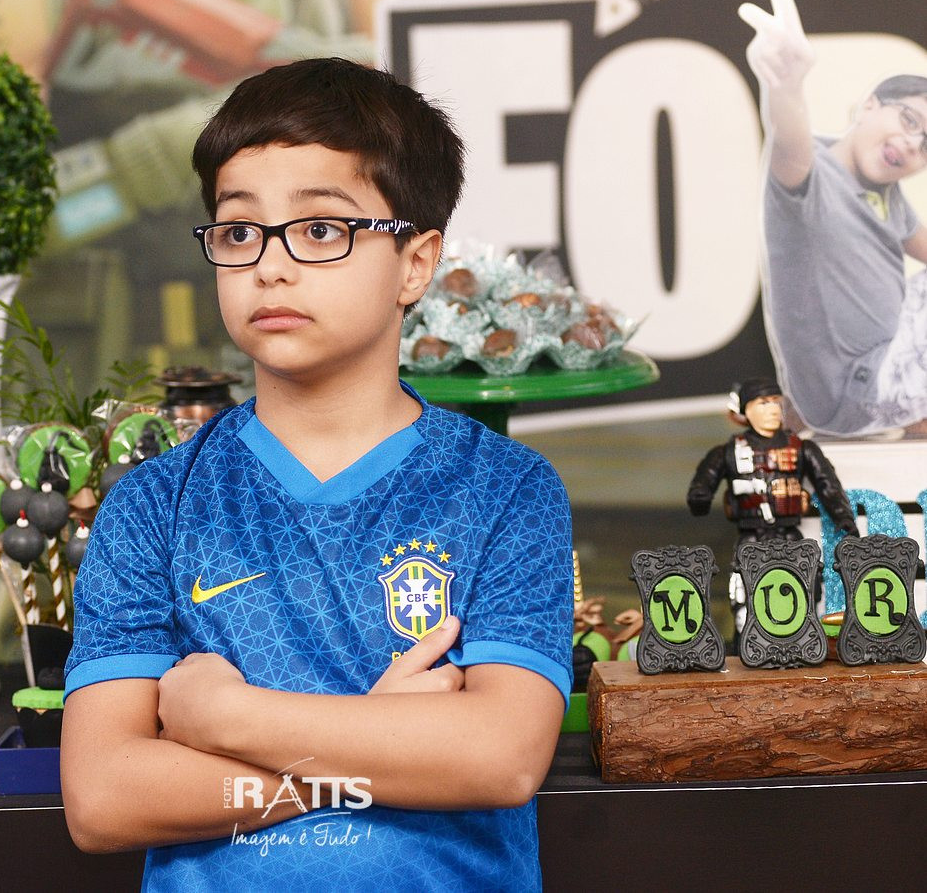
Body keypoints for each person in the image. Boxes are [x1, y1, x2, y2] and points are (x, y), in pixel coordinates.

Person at [61, 58, 574, 890]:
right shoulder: (154, 506)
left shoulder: (505, 488)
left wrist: (227, 716)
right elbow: (104, 797)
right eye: (239, 231)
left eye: (321, 229)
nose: (269, 265)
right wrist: (381, 745)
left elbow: (498, 758)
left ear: (414, 263)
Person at [740, 0, 927, 436]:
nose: (912, 144)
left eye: (926, 146)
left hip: (878, 373)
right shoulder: (811, 175)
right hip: (855, 390)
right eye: (909, 120)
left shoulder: (886, 196)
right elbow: (790, 141)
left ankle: (908, 413)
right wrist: (786, 85)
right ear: (869, 105)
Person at [687, 377, 857, 635]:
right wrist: (699, 497)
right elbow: (700, 491)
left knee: (804, 591)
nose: (774, 409)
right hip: (751, 539)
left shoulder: (802, 448)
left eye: (776, 402)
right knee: (745, 598)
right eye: (764, 403)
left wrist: (844, 520)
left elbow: (828, 486)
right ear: (746, 410)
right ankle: (746, 641)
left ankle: (803, 641)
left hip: (790, 538)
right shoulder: (729, 452)